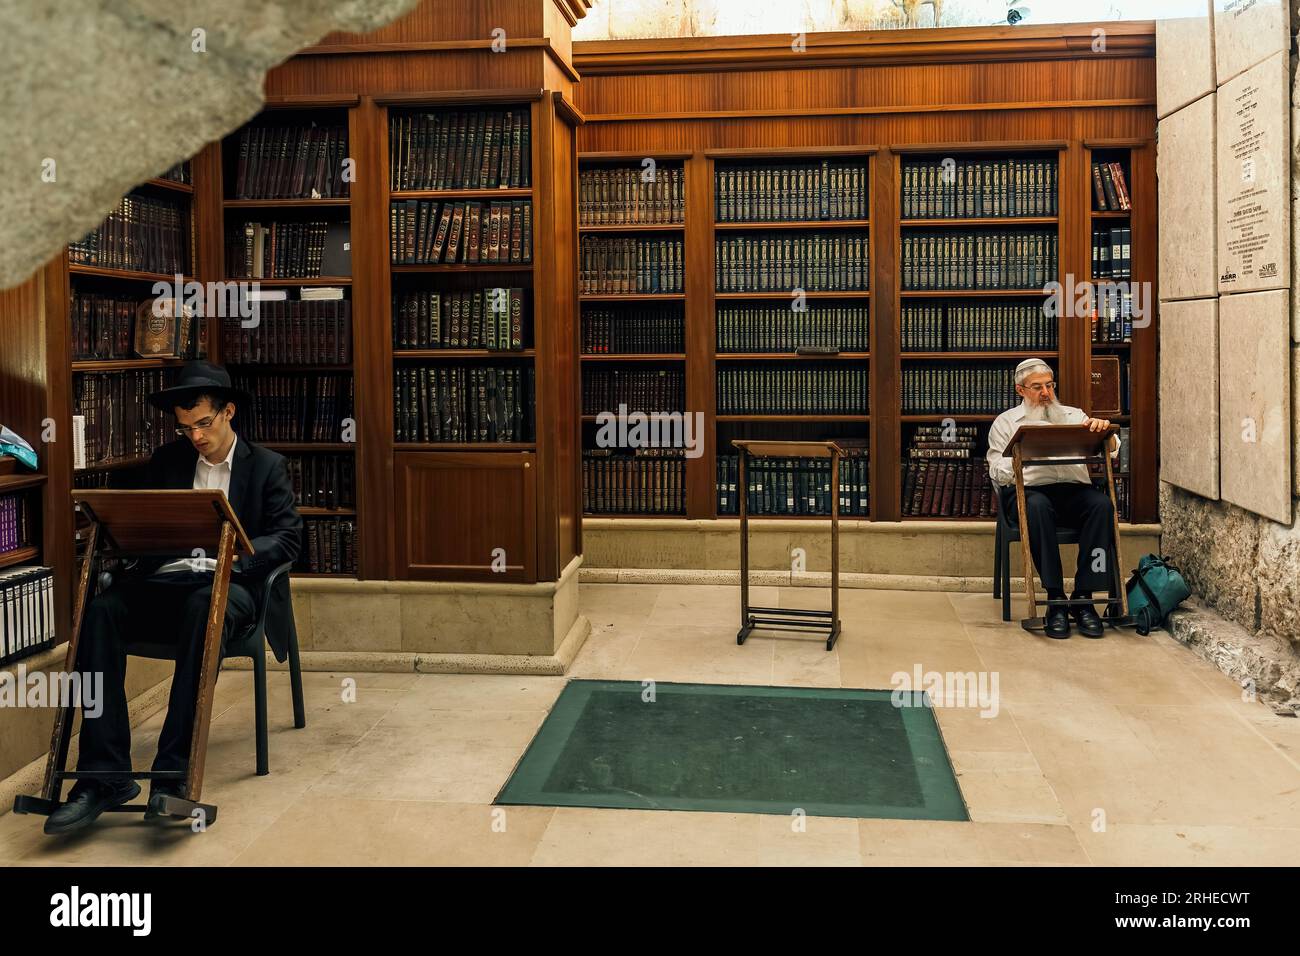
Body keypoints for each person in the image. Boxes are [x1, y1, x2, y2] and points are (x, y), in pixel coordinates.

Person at [45, 361, 302, 834]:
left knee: (202, 607)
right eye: (186, 428)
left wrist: (235, 552)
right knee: (100, 613)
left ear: (228, 412)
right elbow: (144, 527)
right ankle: (103, 777)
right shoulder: (167, 462)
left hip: (231, 586)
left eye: (204, 424)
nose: (196, 437)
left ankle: (172, 777)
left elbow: (287, 539)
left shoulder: (266, 465)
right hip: (166, 582)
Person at [985, 358, 1120, 639]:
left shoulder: (1073, 415)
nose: (1046, 393)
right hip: (1028, 492)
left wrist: (1105, 432)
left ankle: (1084, 599)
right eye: (1037, 387)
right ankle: (1055, 599)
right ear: (1020, 390)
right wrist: (1025, 455)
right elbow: (997, 471)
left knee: (1102, 505)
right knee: (1037, 507)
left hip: (1073, 492)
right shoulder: (1006, 422)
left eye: (1049, 385)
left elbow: (1113, 450)